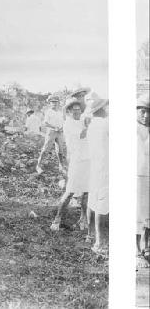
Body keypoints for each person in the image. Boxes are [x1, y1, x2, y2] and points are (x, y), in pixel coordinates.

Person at [50, 98, 90, 231]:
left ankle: (83, 220)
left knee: (86, 192)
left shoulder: (82, 120)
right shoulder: (68, 124)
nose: (77, 112)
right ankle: (57, 219)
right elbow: (83, 135)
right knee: (70, 191)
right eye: (74, 110)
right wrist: (90, 125)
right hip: (76, 160)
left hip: (87, 159)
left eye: (79, 109)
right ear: (69, 111)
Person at [85, 97, 109, 255]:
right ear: (102, 108)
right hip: (105, 167)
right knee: (102, 203)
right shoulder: (106, 124)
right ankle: (99, 243)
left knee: (92, 200)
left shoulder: (92, 125)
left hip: (94, 166)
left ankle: (90, 235)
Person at [36, 95, 66, 175]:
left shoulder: (60, 112)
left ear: (58, 103)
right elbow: (45, 123)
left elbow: (63, 122)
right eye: (52, 102)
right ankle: (38, 166)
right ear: (50, 103)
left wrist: (62, 128)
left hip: (59, 132)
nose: (54, 104)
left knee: (60, 150)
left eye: (56, 102)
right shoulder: (48, 112)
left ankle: (61, 166)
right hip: (51, 132)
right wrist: (54, 127)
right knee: (46, 149)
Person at [136, 92, 150, 268]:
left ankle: (146, 247)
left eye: (149, 112)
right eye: (142, 111)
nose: (146, 116)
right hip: (136, 176)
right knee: (136, 214)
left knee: (147, 214)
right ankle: (136, 252)